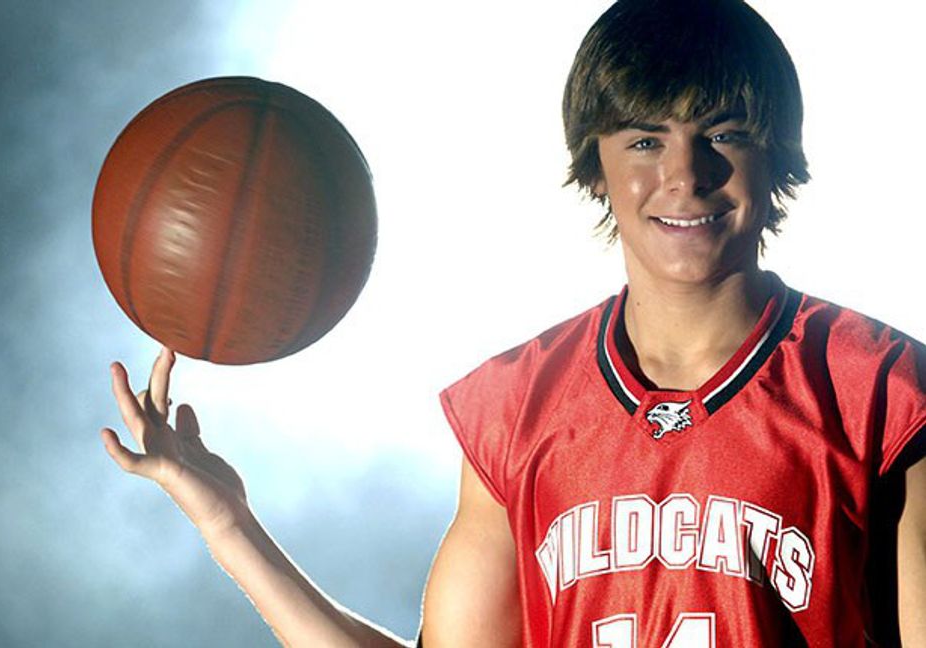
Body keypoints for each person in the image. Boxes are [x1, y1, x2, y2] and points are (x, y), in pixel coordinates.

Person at [101, 0, 926, 645]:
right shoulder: (516, 409)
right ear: (594, 165)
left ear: (777, 154)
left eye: (725, 134)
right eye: (645, 141)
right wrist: (228, 522)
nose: (686, 173)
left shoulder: (880, 393)